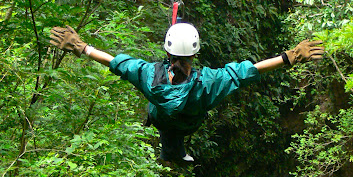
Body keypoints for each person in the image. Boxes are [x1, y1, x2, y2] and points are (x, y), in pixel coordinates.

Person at [49, 24, 324, 164]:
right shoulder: (209, 83)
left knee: (170, 136)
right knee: (175, 138)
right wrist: (289, 57)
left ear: (167, 52)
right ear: (195, 53)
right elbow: (247, 71)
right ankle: (176, 156)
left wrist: (81, 47)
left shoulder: (149, 76)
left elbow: (116, 62)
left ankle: (172, 156)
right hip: (190, 121)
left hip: (160, 117)